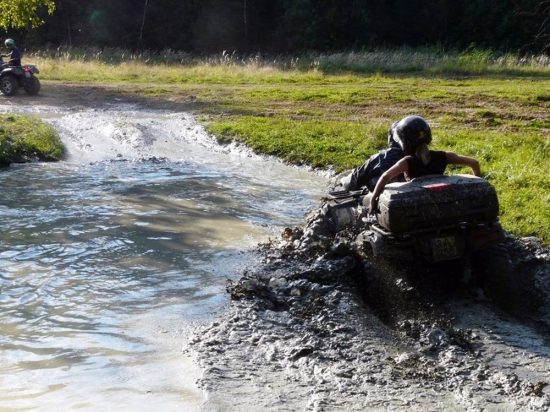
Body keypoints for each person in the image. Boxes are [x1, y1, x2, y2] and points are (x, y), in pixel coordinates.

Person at [369, 115, 480, 214]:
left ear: (404, 141)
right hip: (444, 203)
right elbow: (474, 163)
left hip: (419, 208)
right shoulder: (444, 156)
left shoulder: (407, 162)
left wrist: (373, 199)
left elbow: (385, 176)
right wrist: (477, 184)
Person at [340, 119, 407, 192]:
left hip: (389, 195)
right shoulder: (419, 155)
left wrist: (343, 181)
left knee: (372, 179)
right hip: (415, 193)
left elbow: (356, 179)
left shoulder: (382, 157)